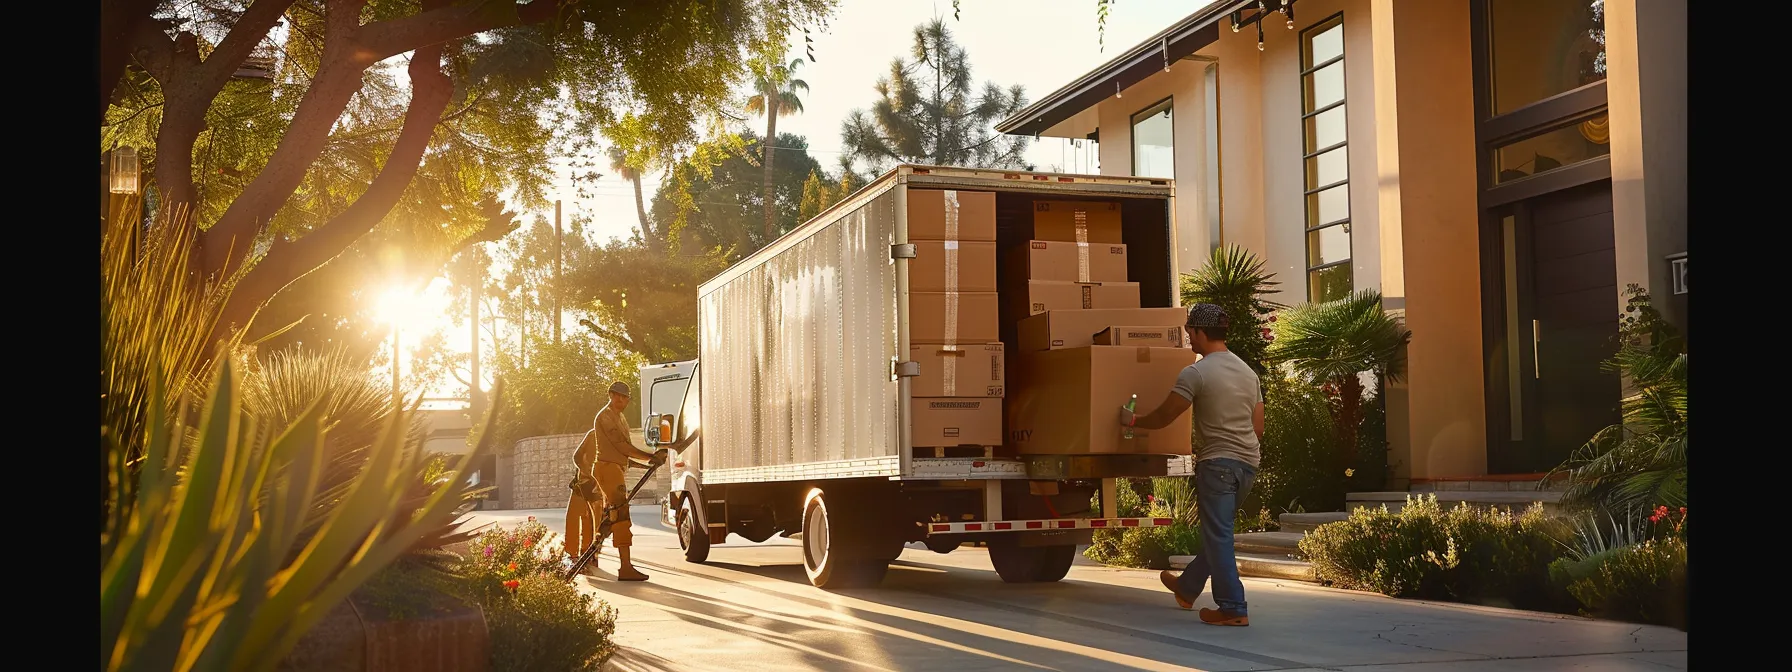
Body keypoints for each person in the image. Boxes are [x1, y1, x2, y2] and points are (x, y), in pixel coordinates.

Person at [1120, 303, 1264, 627]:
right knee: (1218, 532)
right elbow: (1258, 427)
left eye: (1190, 331)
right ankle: (1187, 587)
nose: (1188, 336)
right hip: (1248, 465)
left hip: (1218, 465)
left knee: (1219, 535)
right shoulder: (1248, 373)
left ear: (1200, 332)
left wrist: (1134, 421)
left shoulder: (1196, 372)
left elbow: (1165, 415)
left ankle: (1233, 607)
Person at [566, 381, 667, 581]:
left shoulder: (620, 418)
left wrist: (647, 463)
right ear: (610, 395)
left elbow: (623, 454)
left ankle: (594, 555)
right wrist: (649, 457)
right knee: (620, 515)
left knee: (611, 517)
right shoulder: (605, 416)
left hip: (615, 468)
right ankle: (624, 567)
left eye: (625, 397)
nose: (621, 400)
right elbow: (621, 446)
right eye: (617, 395)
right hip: (606, 470)